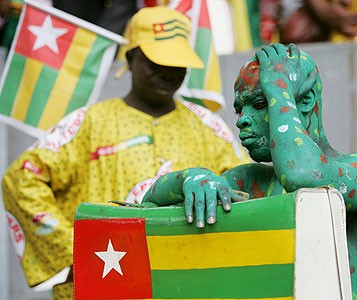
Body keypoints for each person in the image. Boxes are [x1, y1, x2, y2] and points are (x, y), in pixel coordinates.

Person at [1, 6, 250, 299]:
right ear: (131, 58)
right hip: (104, 286)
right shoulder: (88, 123)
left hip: (187, 285)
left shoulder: (209, 126)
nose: (167, 72)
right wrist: (76, 252)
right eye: (156, 61)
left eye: (177, 63)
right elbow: (21, 179)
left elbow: (245, 192)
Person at [143, 43, 357, 299]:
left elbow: (305, 177)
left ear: (305, 101)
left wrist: (279, 88)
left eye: (261, 103)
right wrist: (190, 178)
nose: (242, 119)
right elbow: (147, 203)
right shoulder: (251, 179)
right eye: (239, 108)